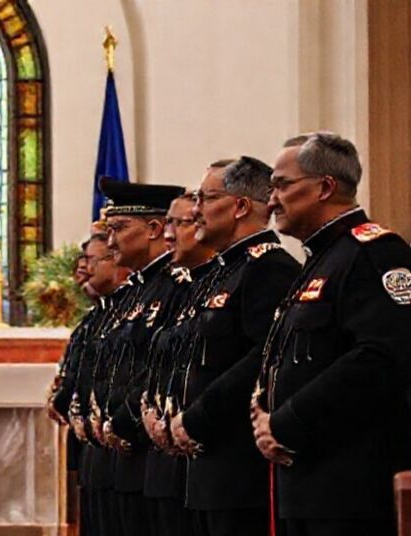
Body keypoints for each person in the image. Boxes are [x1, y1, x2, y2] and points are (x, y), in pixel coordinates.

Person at [252, 133, 411, 536]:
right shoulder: (320, 259)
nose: (271, 200)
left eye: (282, 185)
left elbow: (380, 357)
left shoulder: (374, 253)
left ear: (325, 187)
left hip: (348, 485)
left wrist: (284, 423)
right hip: (304, 479)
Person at [161, 158, 300, 536]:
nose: (195, 211)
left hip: (239, 465)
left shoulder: (268, 268)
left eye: (206, 198)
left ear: (239, 207)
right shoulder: (224, 272)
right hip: (207, 465)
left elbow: (263, 357)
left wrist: (196, 418)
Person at [92, 178, 184, 536]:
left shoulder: (176, 285)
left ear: (154, 229)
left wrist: (126, 418)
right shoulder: (133, 293)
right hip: (126, 454)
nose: (110, 241)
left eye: (118, 228)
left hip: (152, 447)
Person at [139, 191, 216, 536]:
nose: (169, 234)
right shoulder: (189, 287)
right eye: (168, 223)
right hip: (167, 454)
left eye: (181, 222)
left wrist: (188, 421)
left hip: (207, 452)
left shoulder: (210, 282)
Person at [50, 224, 130, 536]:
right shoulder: (99, 314)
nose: (83, 268)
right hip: (97, 445)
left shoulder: (126, 306)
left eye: (92, 260)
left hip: (123, 439)